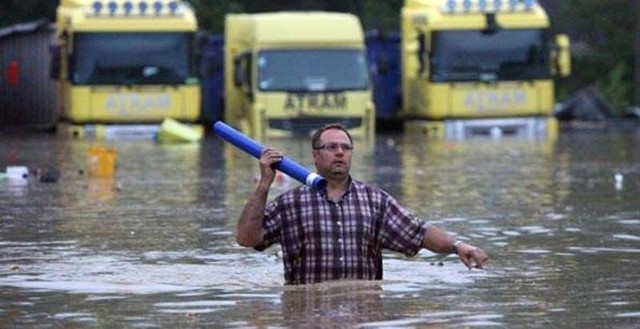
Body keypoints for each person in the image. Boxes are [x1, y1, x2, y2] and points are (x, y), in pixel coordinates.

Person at [236, 123, 489, 285]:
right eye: (331, 147)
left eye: (346, 147)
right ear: (315, 156)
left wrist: (458, 246)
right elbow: (246, 238)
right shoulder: (290, 204)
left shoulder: (375, 201)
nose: (340, 152)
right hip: (306, 316)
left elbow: (419, 233)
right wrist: (264, 184)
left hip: (363, 315)